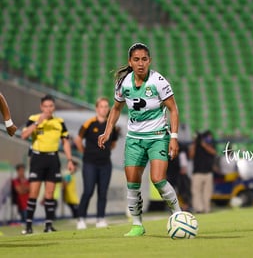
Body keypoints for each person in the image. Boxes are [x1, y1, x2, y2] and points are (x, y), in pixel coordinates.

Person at [97, 42, 181, 237]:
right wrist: (107, 132)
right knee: (132, 183)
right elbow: (116, 109)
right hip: (134, 139)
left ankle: (178, 215)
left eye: (144, 59)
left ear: (149, 60)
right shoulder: (123, 83)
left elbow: (173, 109)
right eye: (136, 59)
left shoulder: (159, 81)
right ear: (130, 62)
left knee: (158, 179)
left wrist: (174, 138)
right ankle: (137, 225)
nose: (141, 63)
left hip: (158, 136)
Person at [20, 94, 75, 234]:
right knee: (34, 192)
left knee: (50, 193)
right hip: (38, 158)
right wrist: (38, 123)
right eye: (45, 106)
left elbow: (65, 141)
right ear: (41, 107)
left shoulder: (59, 122)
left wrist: (69, 160)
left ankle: (48, 225)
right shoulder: (33, 119)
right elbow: (24, 135)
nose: (48, 109)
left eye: (51, 106)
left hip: (53, 158)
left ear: (54, 107)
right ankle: (28, 226)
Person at [74, 97, 119, 229]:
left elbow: (114, 142)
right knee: (88, 191)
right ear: (96, 108)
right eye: (101, 106)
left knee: (103, 192)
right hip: (90, 163)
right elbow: (78, 140)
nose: (104, 109)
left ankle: (100, 218)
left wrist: (105, 151)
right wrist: (85, 152)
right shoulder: (89, 123)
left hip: (105, 164)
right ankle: (81, 218)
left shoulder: (111, 126)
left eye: (106, 106)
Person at [189, 130, 217, 214]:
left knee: (207, 193)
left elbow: (213, 152)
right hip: (197, 172)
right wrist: (195, 143)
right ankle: (199, 209)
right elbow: (190, 155)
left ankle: (206, 208)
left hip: (208, 172)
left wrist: (204, 145)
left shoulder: (210, 144)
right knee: (196, 192)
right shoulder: (195, 145)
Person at [167, 142, 191, 211]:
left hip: (179, 174)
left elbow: (183, 166)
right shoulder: (167, 149)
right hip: (171, 173)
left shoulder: (181, 150)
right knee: (171, 191)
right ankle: (173, 207)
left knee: (183, 191)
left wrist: (183, 169)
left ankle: (185, 206)